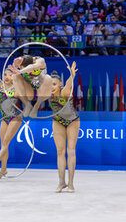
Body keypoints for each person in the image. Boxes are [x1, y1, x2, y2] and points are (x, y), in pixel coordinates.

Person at [0, 46, 22, 179]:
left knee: (6, 143)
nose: (7, 77)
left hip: (16, 117)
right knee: (3, 145)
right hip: (4, 118)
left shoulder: (17, 86)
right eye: (5, 74)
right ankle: (4, 169)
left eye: (10, 74)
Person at [49, 62, 79, 193]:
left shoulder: (65, 91)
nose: (51, 87)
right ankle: (61, 182)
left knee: (70, 151)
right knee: (60, 152)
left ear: (59, 84)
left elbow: (69, 84)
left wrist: (71, 74)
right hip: (58, 121)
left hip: (72, 121)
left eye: (54, 84)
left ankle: (71, 183)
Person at [8, 54, 52, 118]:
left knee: (48, 78)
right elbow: (14, 71)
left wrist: (21, 71)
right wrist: (15, 65)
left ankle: (36, 106)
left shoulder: (40, 61)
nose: (28, 73)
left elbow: (33, 67)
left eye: (28, 71)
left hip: (43, 92)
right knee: (15, 76)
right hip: (29, 92)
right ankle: (27, 104)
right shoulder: (21, 62)